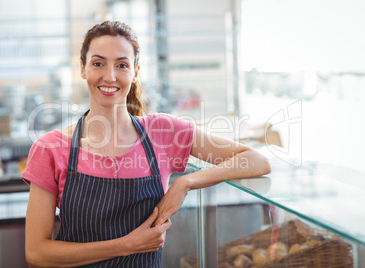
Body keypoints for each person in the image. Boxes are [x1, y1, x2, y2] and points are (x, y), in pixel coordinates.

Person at [23, 20, 271, 268]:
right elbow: (37, 253)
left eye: (122, 65)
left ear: (135, 71)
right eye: (98, 63)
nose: (110, 76)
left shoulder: (163, 132)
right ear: (83, 69)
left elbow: (257, 160)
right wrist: (126, 245)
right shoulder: (50, 148)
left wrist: (185, 183)